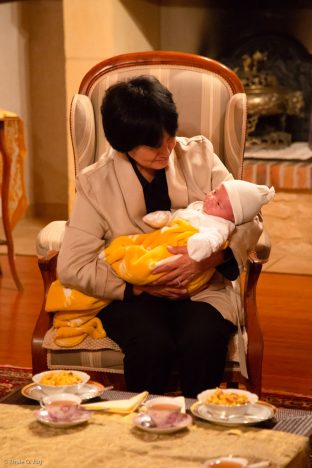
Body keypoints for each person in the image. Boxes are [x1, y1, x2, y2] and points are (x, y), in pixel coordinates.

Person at [57, 75, 262, 398]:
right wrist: (138, 285)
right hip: (132, 295)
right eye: (154, 144)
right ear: (123, 142)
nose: (168, 149)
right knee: (153, 346)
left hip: (203, 287)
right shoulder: (96, 183)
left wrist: (210, 259)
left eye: (171, 137)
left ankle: (204, 429)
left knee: (202, 339)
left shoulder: (200, 155)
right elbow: (71, 266)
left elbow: (252, 220)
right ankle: (145, 433)